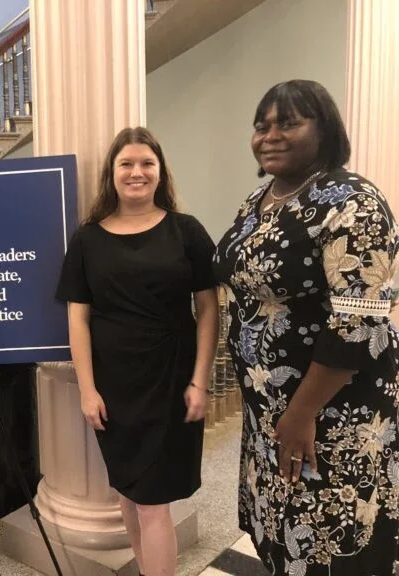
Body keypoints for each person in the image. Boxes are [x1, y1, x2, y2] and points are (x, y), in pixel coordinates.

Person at [213, 79, 399, 576]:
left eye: (288, 123)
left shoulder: (352, 200)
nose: (269, 135)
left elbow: (360, 318)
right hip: (267, 407)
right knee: (280, 525)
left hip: (330, 410)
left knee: (329, 533)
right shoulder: (257, 200)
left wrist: (300, 414)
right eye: (261, 126)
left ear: (325, 130)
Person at [56, 127, 219, 576]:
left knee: (152, 503)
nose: (137, 172)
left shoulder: (186, 231)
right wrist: (87, 389)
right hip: (115, 385)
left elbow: (208, 311)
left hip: (171, 381)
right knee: (128, 492)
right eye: (126, 163)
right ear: (112, 174)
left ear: (161, 171)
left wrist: (199, 381)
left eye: (147, 163)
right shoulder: (87, 239)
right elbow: (78, 319)